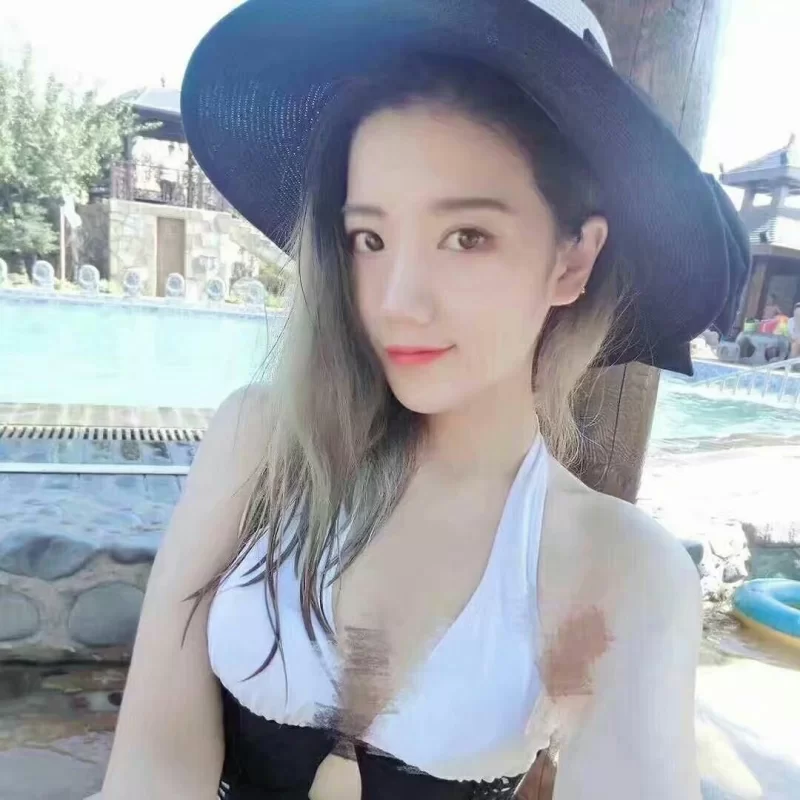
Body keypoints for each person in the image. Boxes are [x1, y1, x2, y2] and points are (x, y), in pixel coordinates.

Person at [100, 2, 747, 799]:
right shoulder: (260, 445)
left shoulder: (618, 567)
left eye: (466, 236)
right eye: (369, 239)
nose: (398, 301)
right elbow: (153, 771)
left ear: (572, 260)